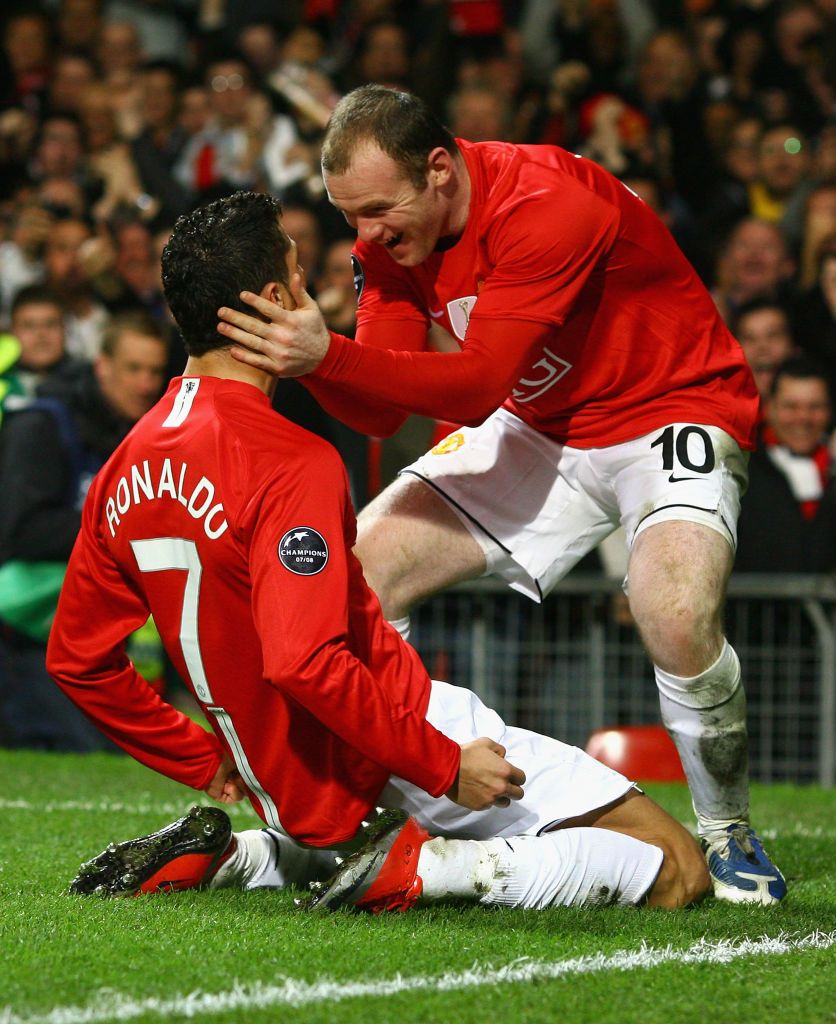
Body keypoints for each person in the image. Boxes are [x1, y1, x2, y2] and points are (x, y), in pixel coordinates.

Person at [49, 191, 709, 913]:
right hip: (393, 735)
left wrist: (206, 759)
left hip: (290, 781)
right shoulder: (287, 458)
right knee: (676, 867)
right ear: (273, 299)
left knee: (344, 821)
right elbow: (304, 661)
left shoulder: (124, 465)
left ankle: (238, 857)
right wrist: (443, 763)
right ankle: (418, 872)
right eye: (299, 277)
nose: (310, 294)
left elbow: (77, 660)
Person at [216, 85, 786, 904]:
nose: (365, 235)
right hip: (544, 423)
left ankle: (726, 829)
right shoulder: (389, 243)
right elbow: (380, 408)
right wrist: (308, 359)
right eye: (350, 216)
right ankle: (397, 802)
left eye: (377, 210)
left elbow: (477, 383)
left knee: (672, 610)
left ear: (440, 169)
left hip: (668, 407)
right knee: (362, 570)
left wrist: (325, 357)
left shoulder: (547, 203)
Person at [0, 310, 168, 750]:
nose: (146, 384)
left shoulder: (145, 435)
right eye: (133, 369)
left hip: (101, 638)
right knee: (89, 748)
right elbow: (21, 532)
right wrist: (121, 526)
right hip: (25, 640)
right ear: (102, 366)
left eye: (154, 371)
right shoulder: (41, 424)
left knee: (127, 749)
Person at [735, 356, 836, 574]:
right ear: (769, 408)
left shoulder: (832, 468)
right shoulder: (741, 469)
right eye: (791, 407)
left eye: (815, 407)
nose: (803, 418)